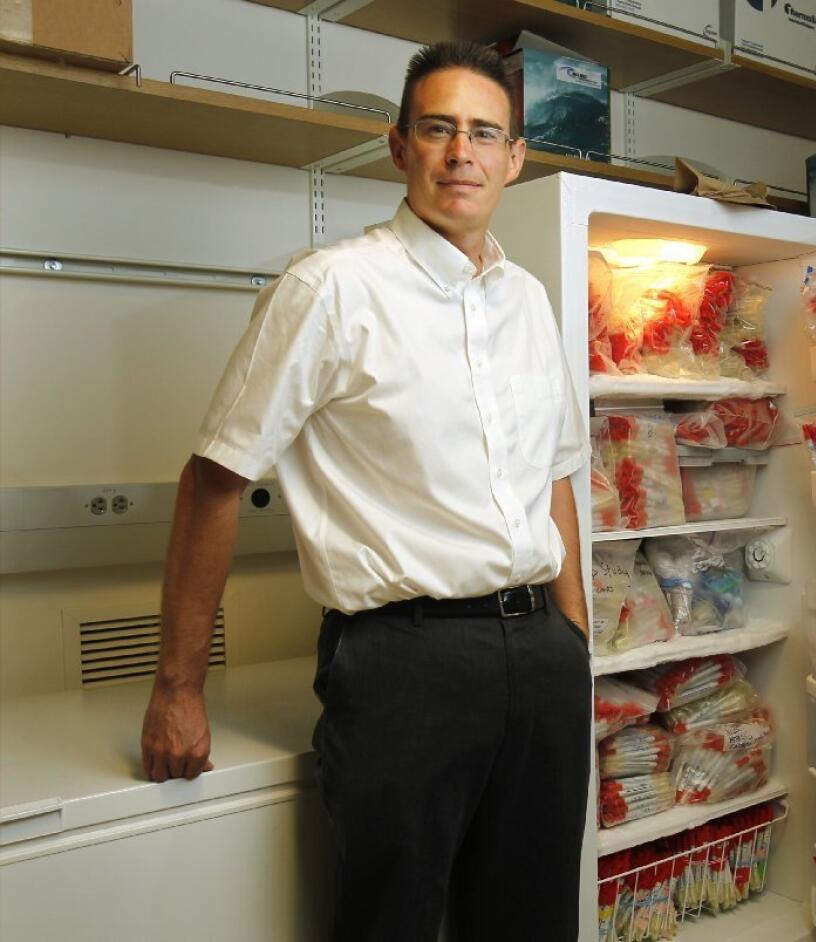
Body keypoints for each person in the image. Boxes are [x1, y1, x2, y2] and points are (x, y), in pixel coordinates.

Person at [139, 40, 592, 941]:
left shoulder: (529, 302)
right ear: (399, 147)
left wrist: (572, 639)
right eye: (438, 128)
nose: (462, 151)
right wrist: (175, 688)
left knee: (533, 920)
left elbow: (555, 477)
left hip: (539, 657)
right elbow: (213, 480)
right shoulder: (330, 290)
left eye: (484, 133)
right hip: (403, 666)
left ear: (515, 158)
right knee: (392, 922)